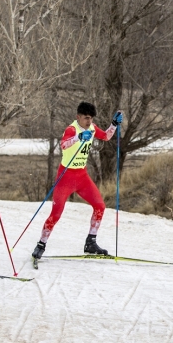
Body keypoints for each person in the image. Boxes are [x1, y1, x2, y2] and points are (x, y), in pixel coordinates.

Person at [31, 101, 123, 261]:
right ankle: (41, 244)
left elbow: (106, 136)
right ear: (78, 117)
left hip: (82, 177)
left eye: (91, 119)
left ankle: (91, 242)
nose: (89, 122)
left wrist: (114, 124)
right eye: (86, 118)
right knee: (56, 214)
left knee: (100, 206)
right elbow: (64, 145)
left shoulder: (92, 128)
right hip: (65, 178)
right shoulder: (71, 129)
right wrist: (78, 137)